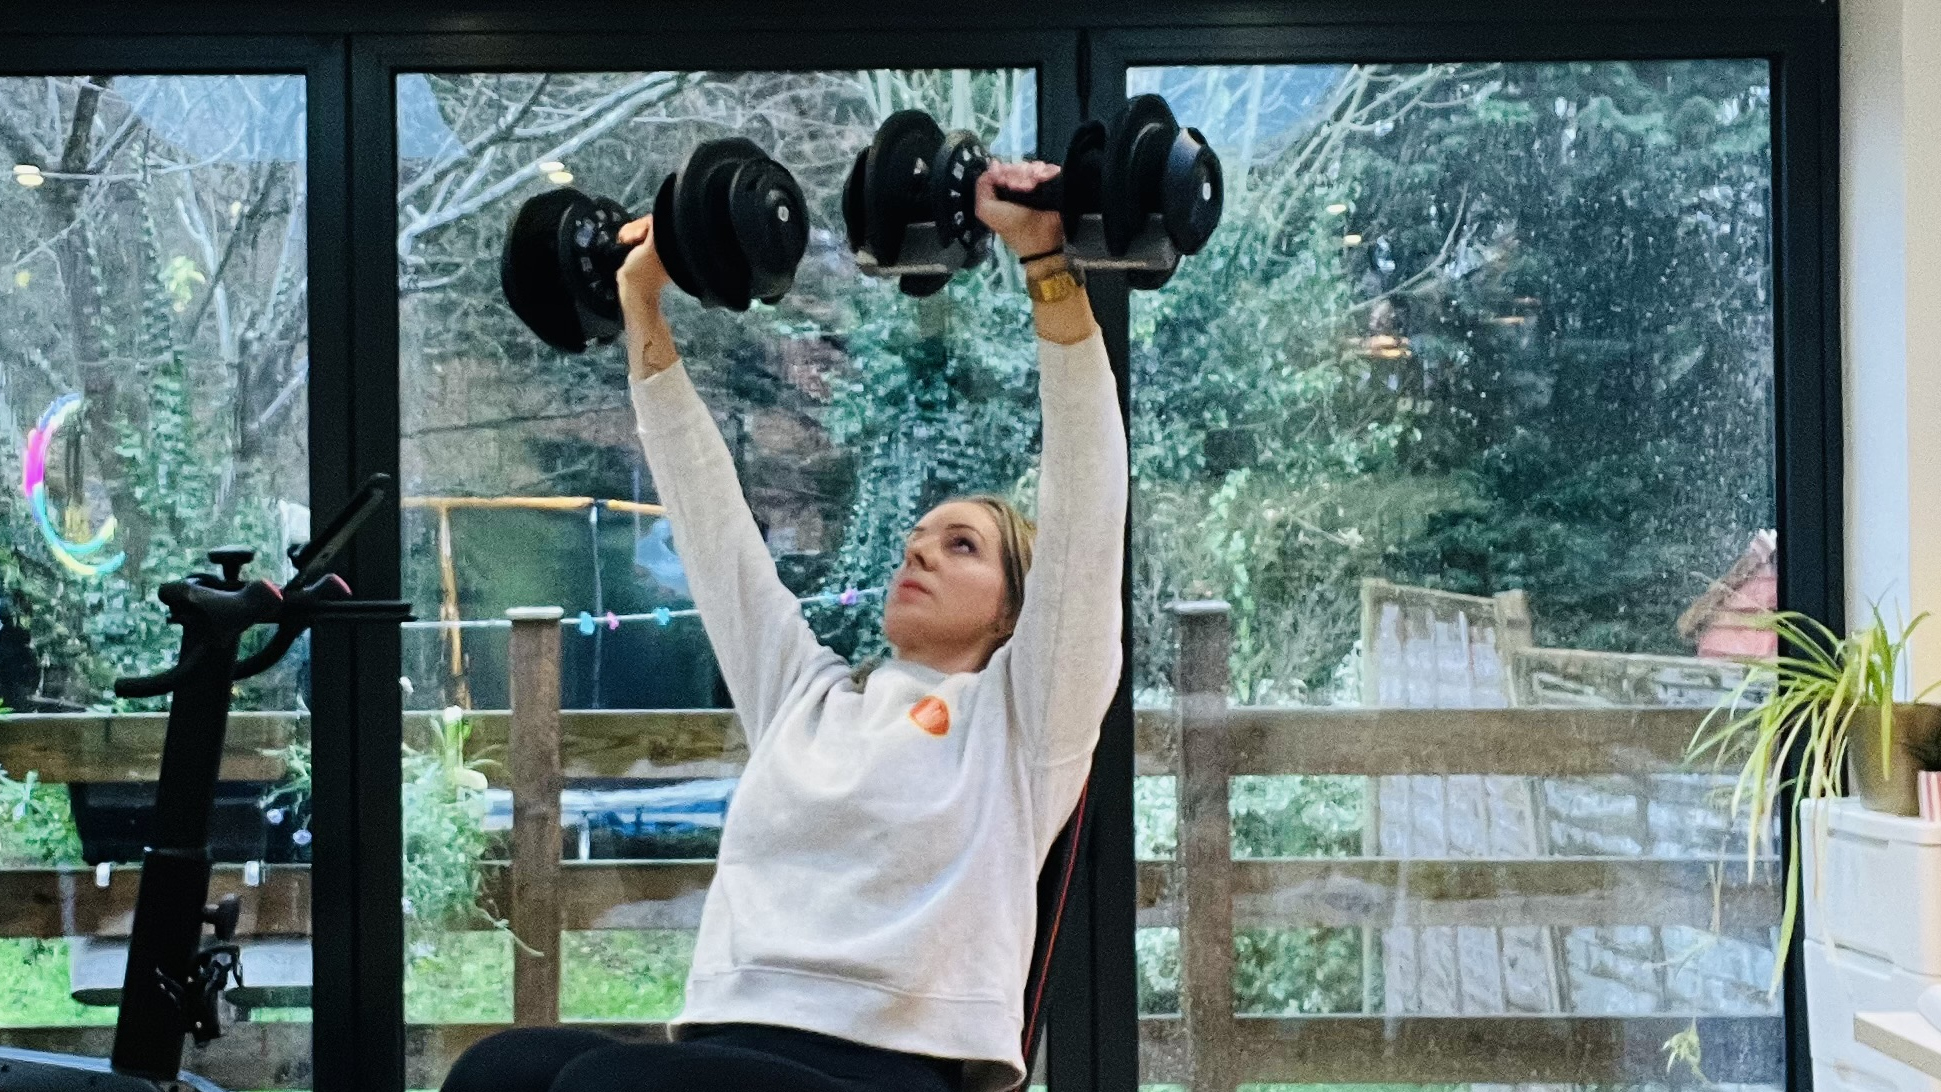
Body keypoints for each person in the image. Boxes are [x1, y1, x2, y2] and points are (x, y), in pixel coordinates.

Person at [441, 156, 1126, 1092]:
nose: (918, 552)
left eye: (960, 546)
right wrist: (641, 306)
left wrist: (1046, 265)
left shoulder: (1021, 725)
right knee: (503, 1072)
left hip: (887, 1073)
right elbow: (708, 518)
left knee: (600, 1090)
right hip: (731, 1048)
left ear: (1015, 609)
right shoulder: (806, 700)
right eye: (916, 539)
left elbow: (1087, 508)